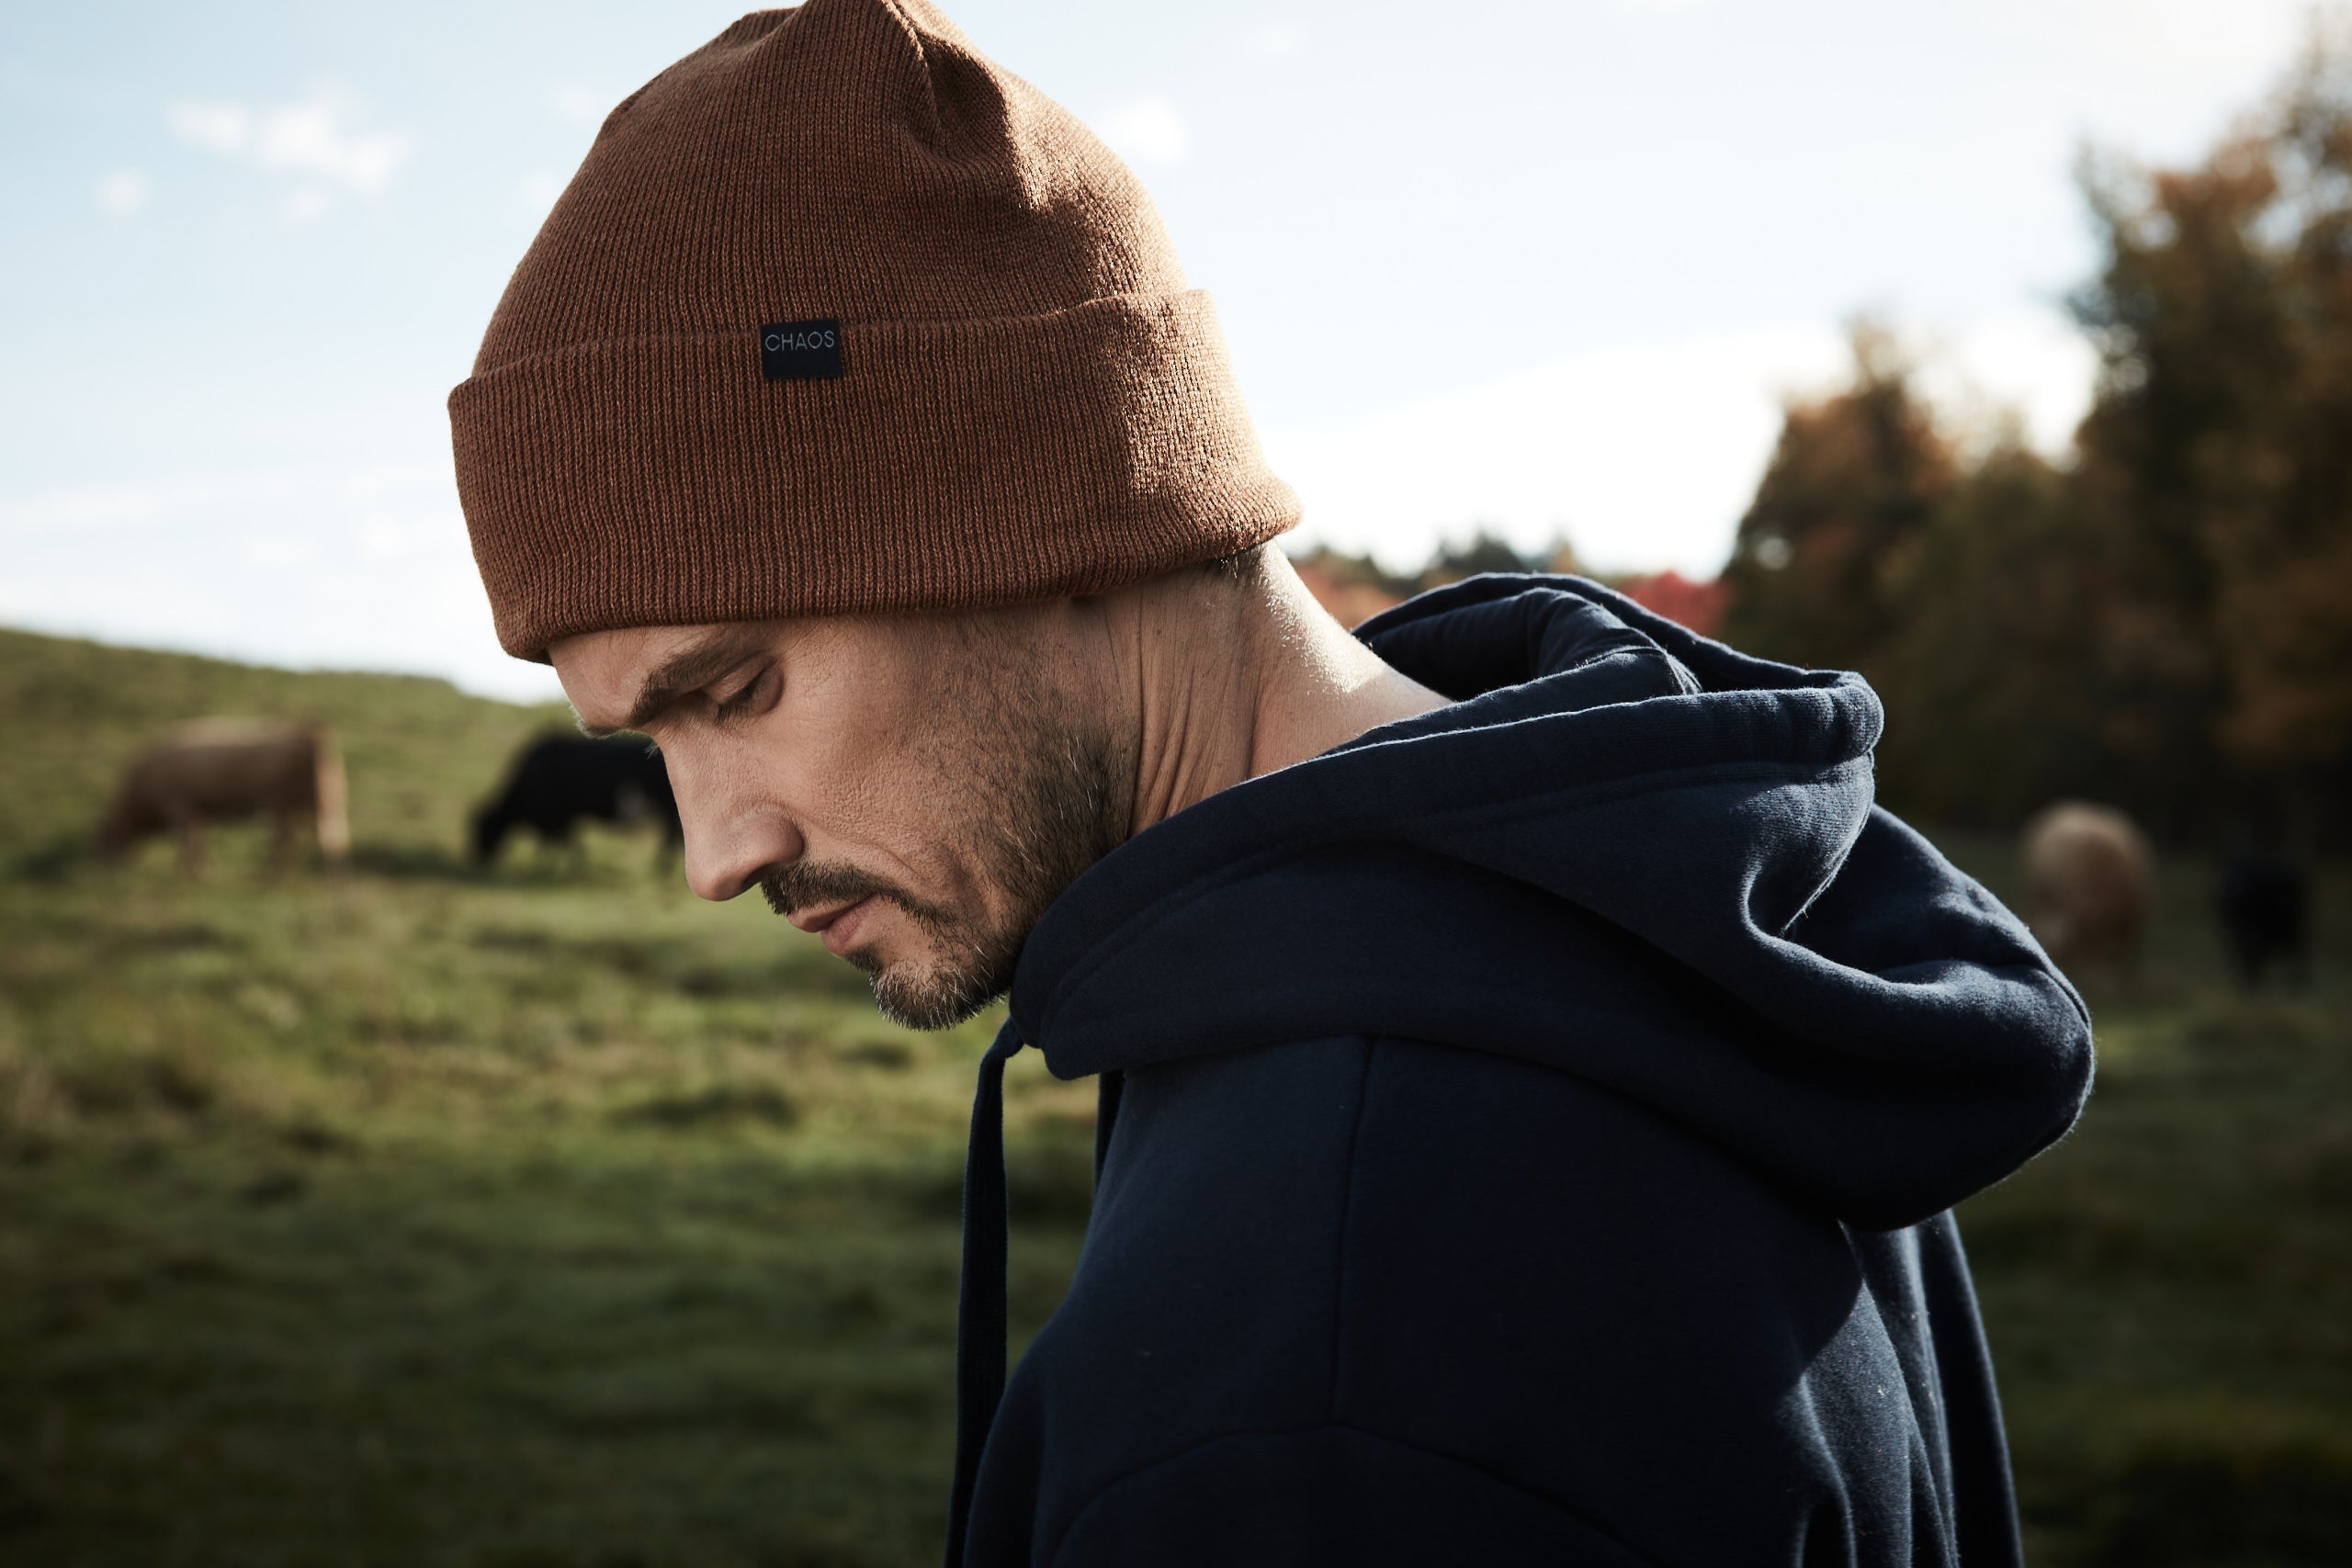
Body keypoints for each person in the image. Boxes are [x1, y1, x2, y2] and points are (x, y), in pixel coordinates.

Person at [447, 3, 2095, 1562]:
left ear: (1056, 521)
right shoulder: (1666, 916)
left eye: (735, 689)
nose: (712, 852)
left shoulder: (1325, 1387)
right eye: (649, 746)